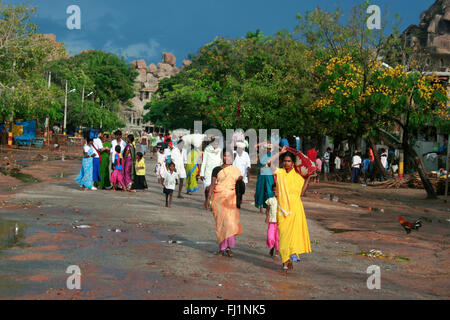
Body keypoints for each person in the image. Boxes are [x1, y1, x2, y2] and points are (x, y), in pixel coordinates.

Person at [272, 148, 312, 272]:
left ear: (293, 163)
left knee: (293, 237)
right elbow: (268, 163)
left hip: (296, 210)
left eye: (289, 161)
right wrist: (280, 152)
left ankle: (287, 261)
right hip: (282, 211)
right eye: (284, 161)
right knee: (283, 237)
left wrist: (309, 178)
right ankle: (286, 261)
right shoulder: (279, 172)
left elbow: (302, 193)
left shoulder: (298, 176)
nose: (286, 163)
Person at [205, 150, 243, 257]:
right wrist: (208, 199)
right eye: (225, 156)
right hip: (219, 199)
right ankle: (221, 249)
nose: (227, 158)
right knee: (220, 224)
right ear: (222, 157)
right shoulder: (216, 169)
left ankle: (229, 248)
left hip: (231, 199)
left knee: (230, 224)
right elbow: (212, 185)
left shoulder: (235, 170)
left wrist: (241, 180)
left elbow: (240, 187)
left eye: (229, 156)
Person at [200, 139, 223, 207]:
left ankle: (211, 203)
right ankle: (206, 199)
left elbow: (221, 161)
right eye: (214, 143)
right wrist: (202, 173)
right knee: (207, 188)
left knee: (215, 188)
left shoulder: (220, 150)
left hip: (217, 171)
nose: (216, 144)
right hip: (208, 171)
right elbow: (204, 161)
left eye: (217, 143)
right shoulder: (207, 150)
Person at [255, 142, 275, 214]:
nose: (267, 150)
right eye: (266, 148)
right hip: (261, 174)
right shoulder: (261, 154)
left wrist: (273, 144)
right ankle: (261, 208)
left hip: (268, 173)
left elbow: (281, 149)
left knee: (269, 190)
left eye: (269, 148)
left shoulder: (272, 155)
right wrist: (264, 142)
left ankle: (268, 208)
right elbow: (255, 146)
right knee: (261, 190)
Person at [265, 184, 279, 258]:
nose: (275, 192)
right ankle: (272, 247)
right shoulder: (270, 200)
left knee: (277, 238)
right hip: (272, 221)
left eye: (276, 190)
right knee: (270, 237)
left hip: (280, 223)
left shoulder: (283, 201)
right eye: (273, 190)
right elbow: (267, 209)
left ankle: (276, 252)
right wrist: (267, 216)